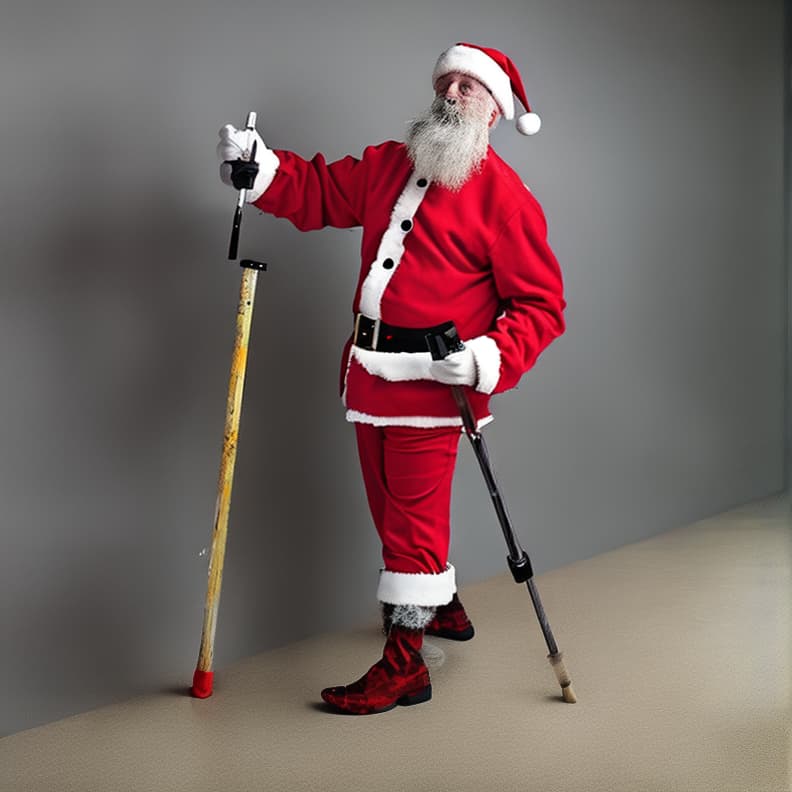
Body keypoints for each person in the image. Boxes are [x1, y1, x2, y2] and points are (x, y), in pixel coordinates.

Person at [217, 42, 566, 715]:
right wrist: (261, 169)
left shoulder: (506, 198)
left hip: (436, 388)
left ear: (495, 111)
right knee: (390, 508)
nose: (454, 93)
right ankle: (438, 603)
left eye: (471, 86)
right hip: (368, 377)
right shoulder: (387, 164)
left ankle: (405, 665)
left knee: (411, 519)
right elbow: (316, 191)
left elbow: (542, 307)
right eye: (449, 81)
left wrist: (488, 357)